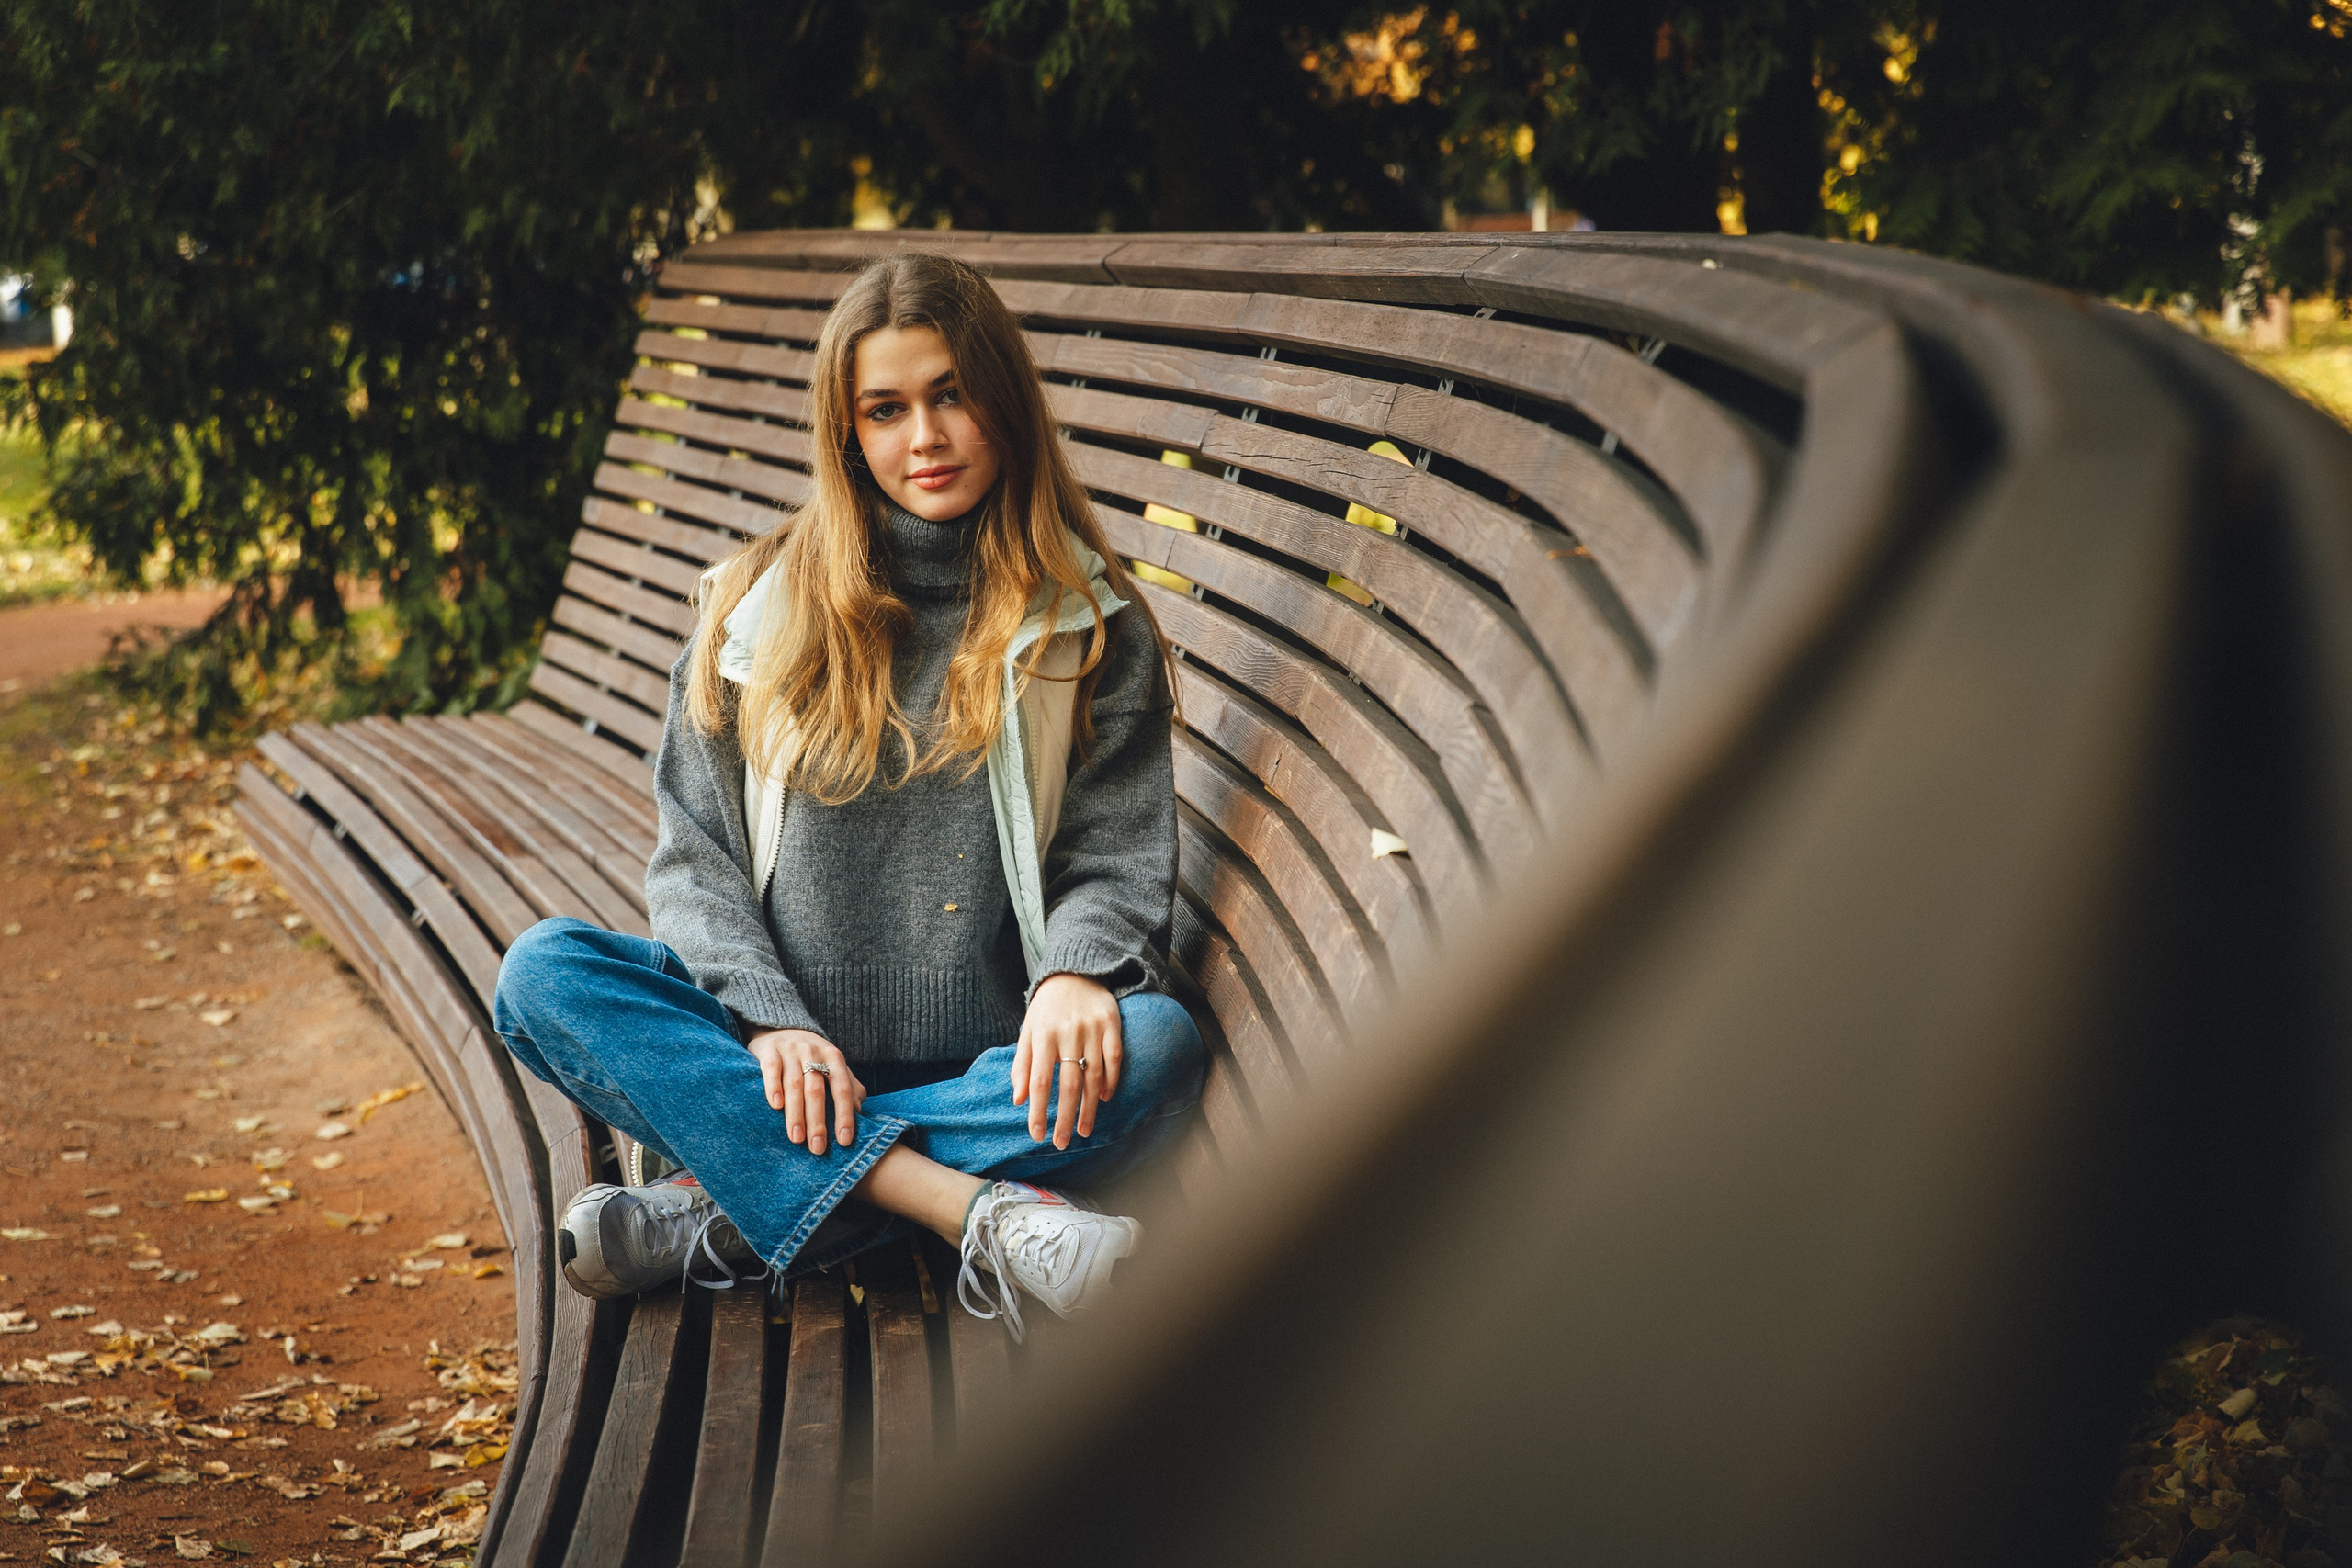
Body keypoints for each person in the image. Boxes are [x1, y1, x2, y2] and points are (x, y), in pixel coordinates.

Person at [491, 251, 1204, 1341]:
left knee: (1154, 1046)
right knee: (544, 971)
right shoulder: (755, 610)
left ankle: (722, 1214)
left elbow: (1114, 853)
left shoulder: (1089, 622)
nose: (924, 437)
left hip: (987, 1072)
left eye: (952, 395)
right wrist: (767, 1021)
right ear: (846, 430)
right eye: (886, 409)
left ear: (1003, 401)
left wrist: (1076, 971)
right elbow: (696, 860)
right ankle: (960, 1207)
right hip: (775, 1069)